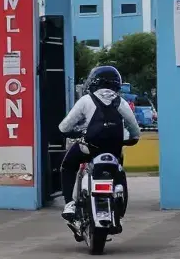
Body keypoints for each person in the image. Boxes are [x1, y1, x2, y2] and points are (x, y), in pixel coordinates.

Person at [58, 64, 141, 221]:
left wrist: (75, 133)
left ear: (93, 81)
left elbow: (64, 127)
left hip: (89, 149)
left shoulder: (86, 100)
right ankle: (118, 199)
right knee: (119, 169)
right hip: (114, 151)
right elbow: (135, 131)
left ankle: (70, 204)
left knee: (67, 166)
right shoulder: (121, 102)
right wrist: (131, 140)